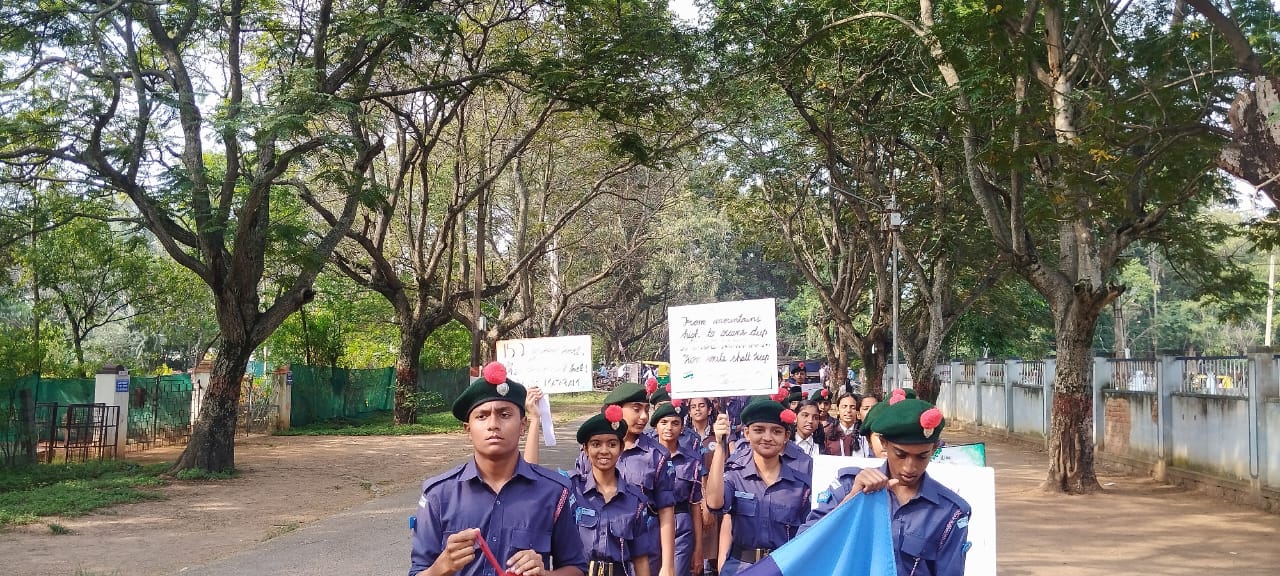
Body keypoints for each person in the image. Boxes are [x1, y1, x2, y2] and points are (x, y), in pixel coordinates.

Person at [409, 362, 587, 576]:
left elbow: (577, 569)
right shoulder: (439, 494)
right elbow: (418, 572)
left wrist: (544, 574)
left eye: (504, 414)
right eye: (482, 416)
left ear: (522, 425)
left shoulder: (555, 491)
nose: (493, 424)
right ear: (468, 429)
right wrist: (442, 566)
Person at [801, 396, 970, 576]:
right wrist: (851, 500)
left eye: (922, 456)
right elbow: (803, 544)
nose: (910, 467)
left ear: (934, 449)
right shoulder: (849, 486)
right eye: (901, 454)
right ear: (883, 443)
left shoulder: (950, 511)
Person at [578, 382, 678, 576]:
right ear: (615, 410)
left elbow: (666, 510)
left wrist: (668, 565)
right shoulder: (590, 453)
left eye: (646, 410)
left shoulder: (656, 456)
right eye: (636, 409)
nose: (643, 417)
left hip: (643, 550)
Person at [705, 400, 812, 575]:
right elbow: (714, 503)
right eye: (759, 430)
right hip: (741, 567)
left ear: (786, 437)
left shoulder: (801, 484)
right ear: (746, 433)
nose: (767, 437)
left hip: (784, 567)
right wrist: (719, 445)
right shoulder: (736, 474)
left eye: (776, 431)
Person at [570, 408, 654, 576]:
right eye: (596, 444)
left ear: (621, 448)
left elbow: (640, 558)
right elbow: (534, 482)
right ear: (585, 449)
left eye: (612, 444)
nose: (604, 451)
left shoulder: (635, 501)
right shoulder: (572, 490)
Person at [651, 401, 704, 576]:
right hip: (649, 524)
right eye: (664, 423)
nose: (669, 428)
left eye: (675, 423)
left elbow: (695, 505)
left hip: (681, 525)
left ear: (682, 428)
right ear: (656, 427)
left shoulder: (692, 460)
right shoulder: (644, 457)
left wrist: (698, 549)